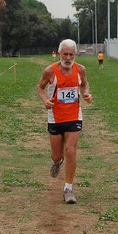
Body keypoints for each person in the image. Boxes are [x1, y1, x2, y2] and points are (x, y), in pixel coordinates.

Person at [37, 39, 92, 204]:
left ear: (75, 54)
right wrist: (45, 100)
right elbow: (40, 87)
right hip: (55, 117)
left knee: (70, 150)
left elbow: (84, 84)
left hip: (74, 116)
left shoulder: (80, 69)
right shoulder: (50, 71)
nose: (68, 58)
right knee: (57, 155)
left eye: (71, 54)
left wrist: (86, 93)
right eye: (65, 54)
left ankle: (68, 189)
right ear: (59, 54)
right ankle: (56, 162)